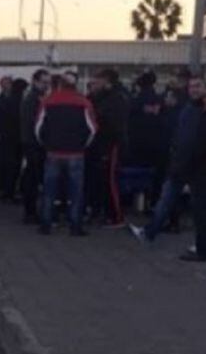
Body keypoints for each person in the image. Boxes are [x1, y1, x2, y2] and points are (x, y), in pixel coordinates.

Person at [131, 76, 206, 244]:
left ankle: (203, 242)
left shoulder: (204, 109)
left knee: (200, 205)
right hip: (180, 162)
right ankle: (150, 232)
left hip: (198, 164)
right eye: (192, 86)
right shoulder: (187, 109)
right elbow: (180, 135)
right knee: (166, 199)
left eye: (198, 86)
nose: (194, 89)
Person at [36, 72, 97, 237]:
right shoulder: (84, 102)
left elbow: (38, 128)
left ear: (60, 85)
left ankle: (46, 224)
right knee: (76, 192)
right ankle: (75, 226)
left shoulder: (48, 101)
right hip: (76, 154)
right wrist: (82, 146)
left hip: (53, 153)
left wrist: (46, 144)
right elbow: (92, 129)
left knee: (49, 191)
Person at [86, 68, 129, 226]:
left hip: (111, 144)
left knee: (110, 180)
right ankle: (101, 211)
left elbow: (112, 123)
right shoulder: (100, 97)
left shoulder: (117, 98)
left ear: (106, 81)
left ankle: (116, 215)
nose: (94, 84)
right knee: (100, 180)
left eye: (98, 81)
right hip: (100, 144)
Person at [184, 82, 206, 262]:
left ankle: (203, 249)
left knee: (203, 212)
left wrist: (189, 164)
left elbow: (201, 146)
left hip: (204, 170)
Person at [126, 71, 165, 205]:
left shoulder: (135, 100)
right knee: (155, 177)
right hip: (157, 144)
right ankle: (152, 202)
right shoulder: (160, 100)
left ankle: (135, 202)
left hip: (136, 144)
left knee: (136, 176)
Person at [20, 70, 50, 224]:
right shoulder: (32, 99)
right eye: (44, 82)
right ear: (35, 81)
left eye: (47, 83)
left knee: (33, 177)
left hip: (33, 143)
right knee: (33, 178)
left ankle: (31, 210)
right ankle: (30, 211)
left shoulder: (36, 98)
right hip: (33, 144)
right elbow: (34, 123)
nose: (46, 85)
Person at [0, 78, 27, 201]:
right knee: (15, 166)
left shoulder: (8, 101)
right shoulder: (22, 102)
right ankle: (11, 192)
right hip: (18, 138)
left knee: (9, 166)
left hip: (7, 138)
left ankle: (7, 191)